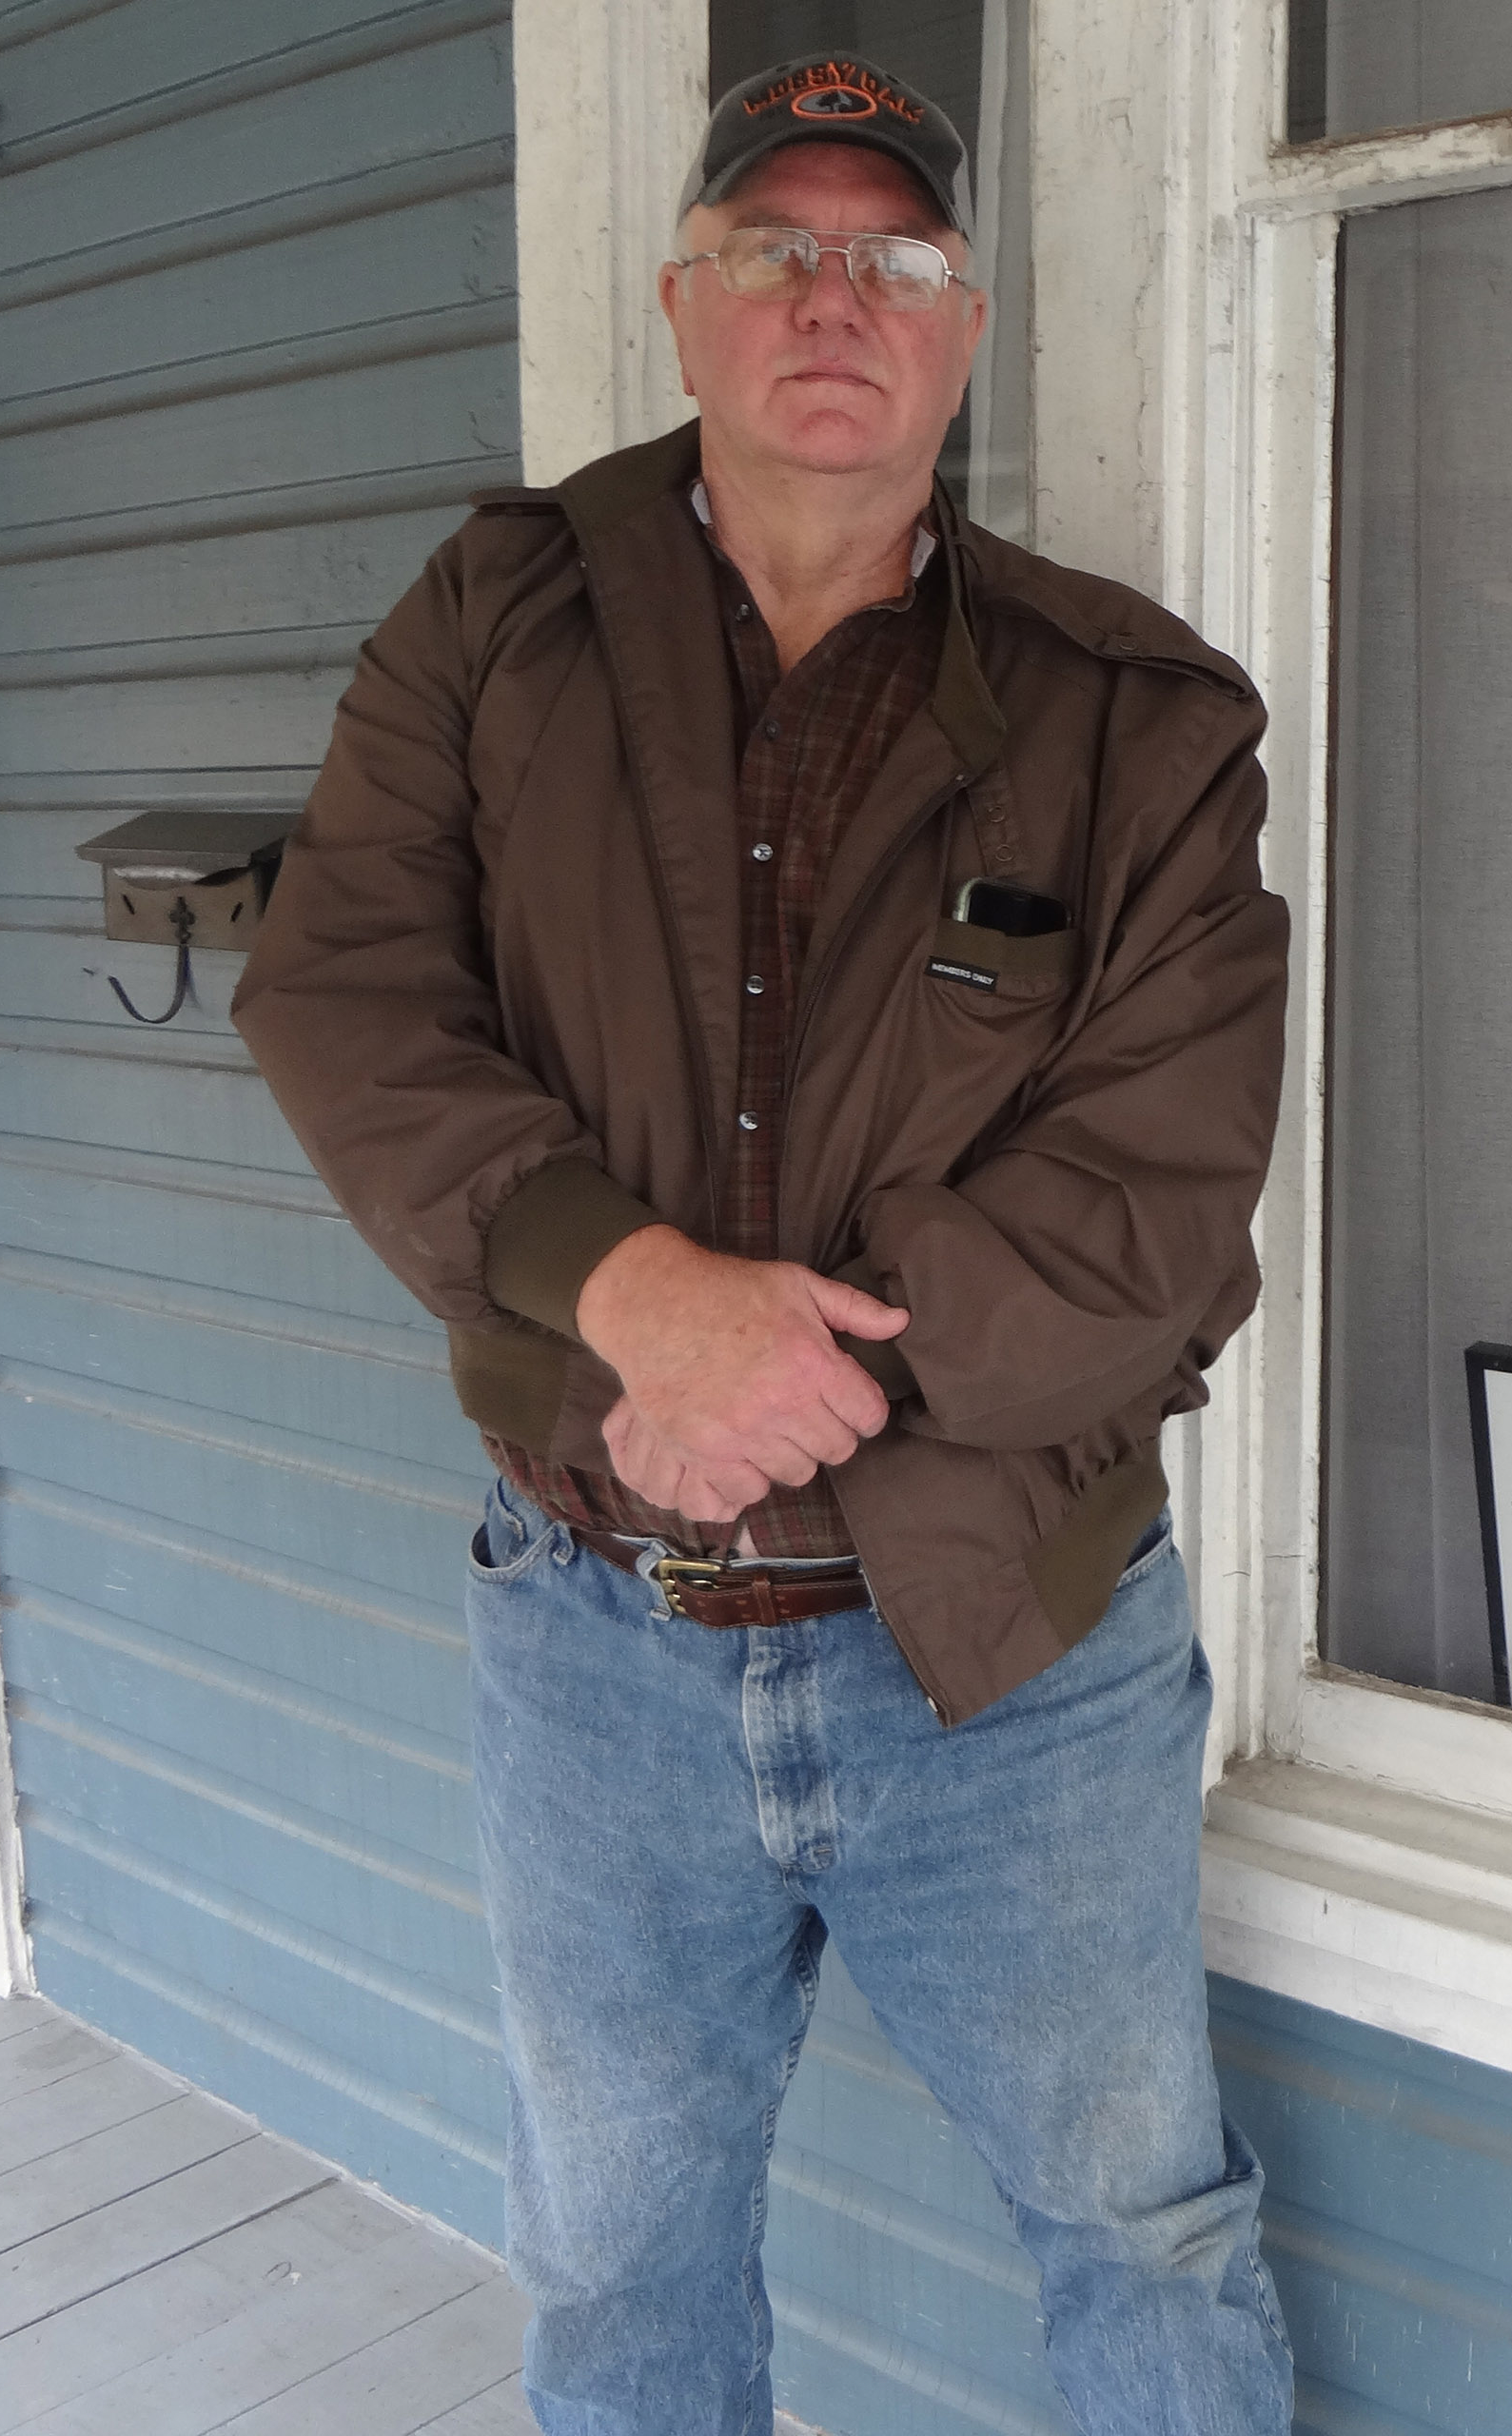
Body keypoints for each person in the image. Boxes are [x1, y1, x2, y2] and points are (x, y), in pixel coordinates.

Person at [232, 49, 1297, 2436]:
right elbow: (344, 991)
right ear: (686, 305)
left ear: (969, 321)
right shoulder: (495, 622)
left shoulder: (1140, 723)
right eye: (778, 249)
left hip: (1007, 1650)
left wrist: (801, 1372)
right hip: (595, 1632)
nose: (840, 294)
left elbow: (1158, 1190)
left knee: (1142, 2230)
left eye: (895, 254)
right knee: (618, 2266)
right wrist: (634, 1294)